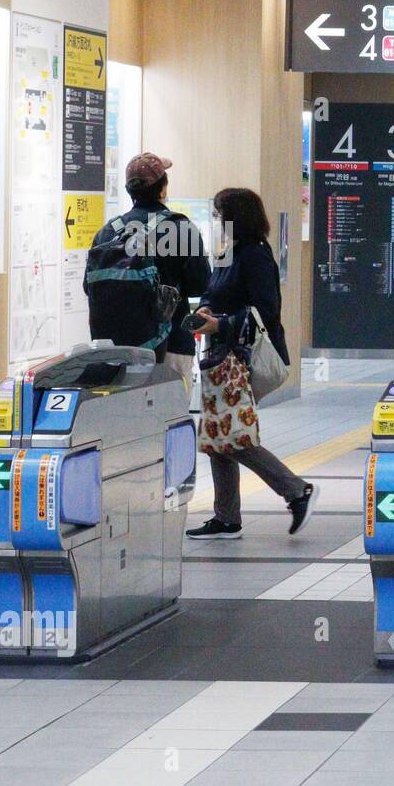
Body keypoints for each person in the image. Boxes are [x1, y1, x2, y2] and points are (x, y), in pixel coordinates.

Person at [186, 188, 316, 541]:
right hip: (220, 358)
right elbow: (214, 292)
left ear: (235, 217)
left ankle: (295, 490)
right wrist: (205, 309)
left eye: (218, 214)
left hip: (239, 360)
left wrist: (222, 323)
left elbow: (266, 309)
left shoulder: (256, 256)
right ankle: (226, 518)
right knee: (216, 435)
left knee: (234, 436)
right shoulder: (229, 253)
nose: (214, 220)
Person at [87, 153, 211, 383]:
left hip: (116, 352)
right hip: (170, 344)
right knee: (170, 416)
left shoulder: (108, 232)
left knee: (126, 415)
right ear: (162, 189)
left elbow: (89, 287)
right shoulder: (180, 228)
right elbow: (201, 284)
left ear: (129, 191)